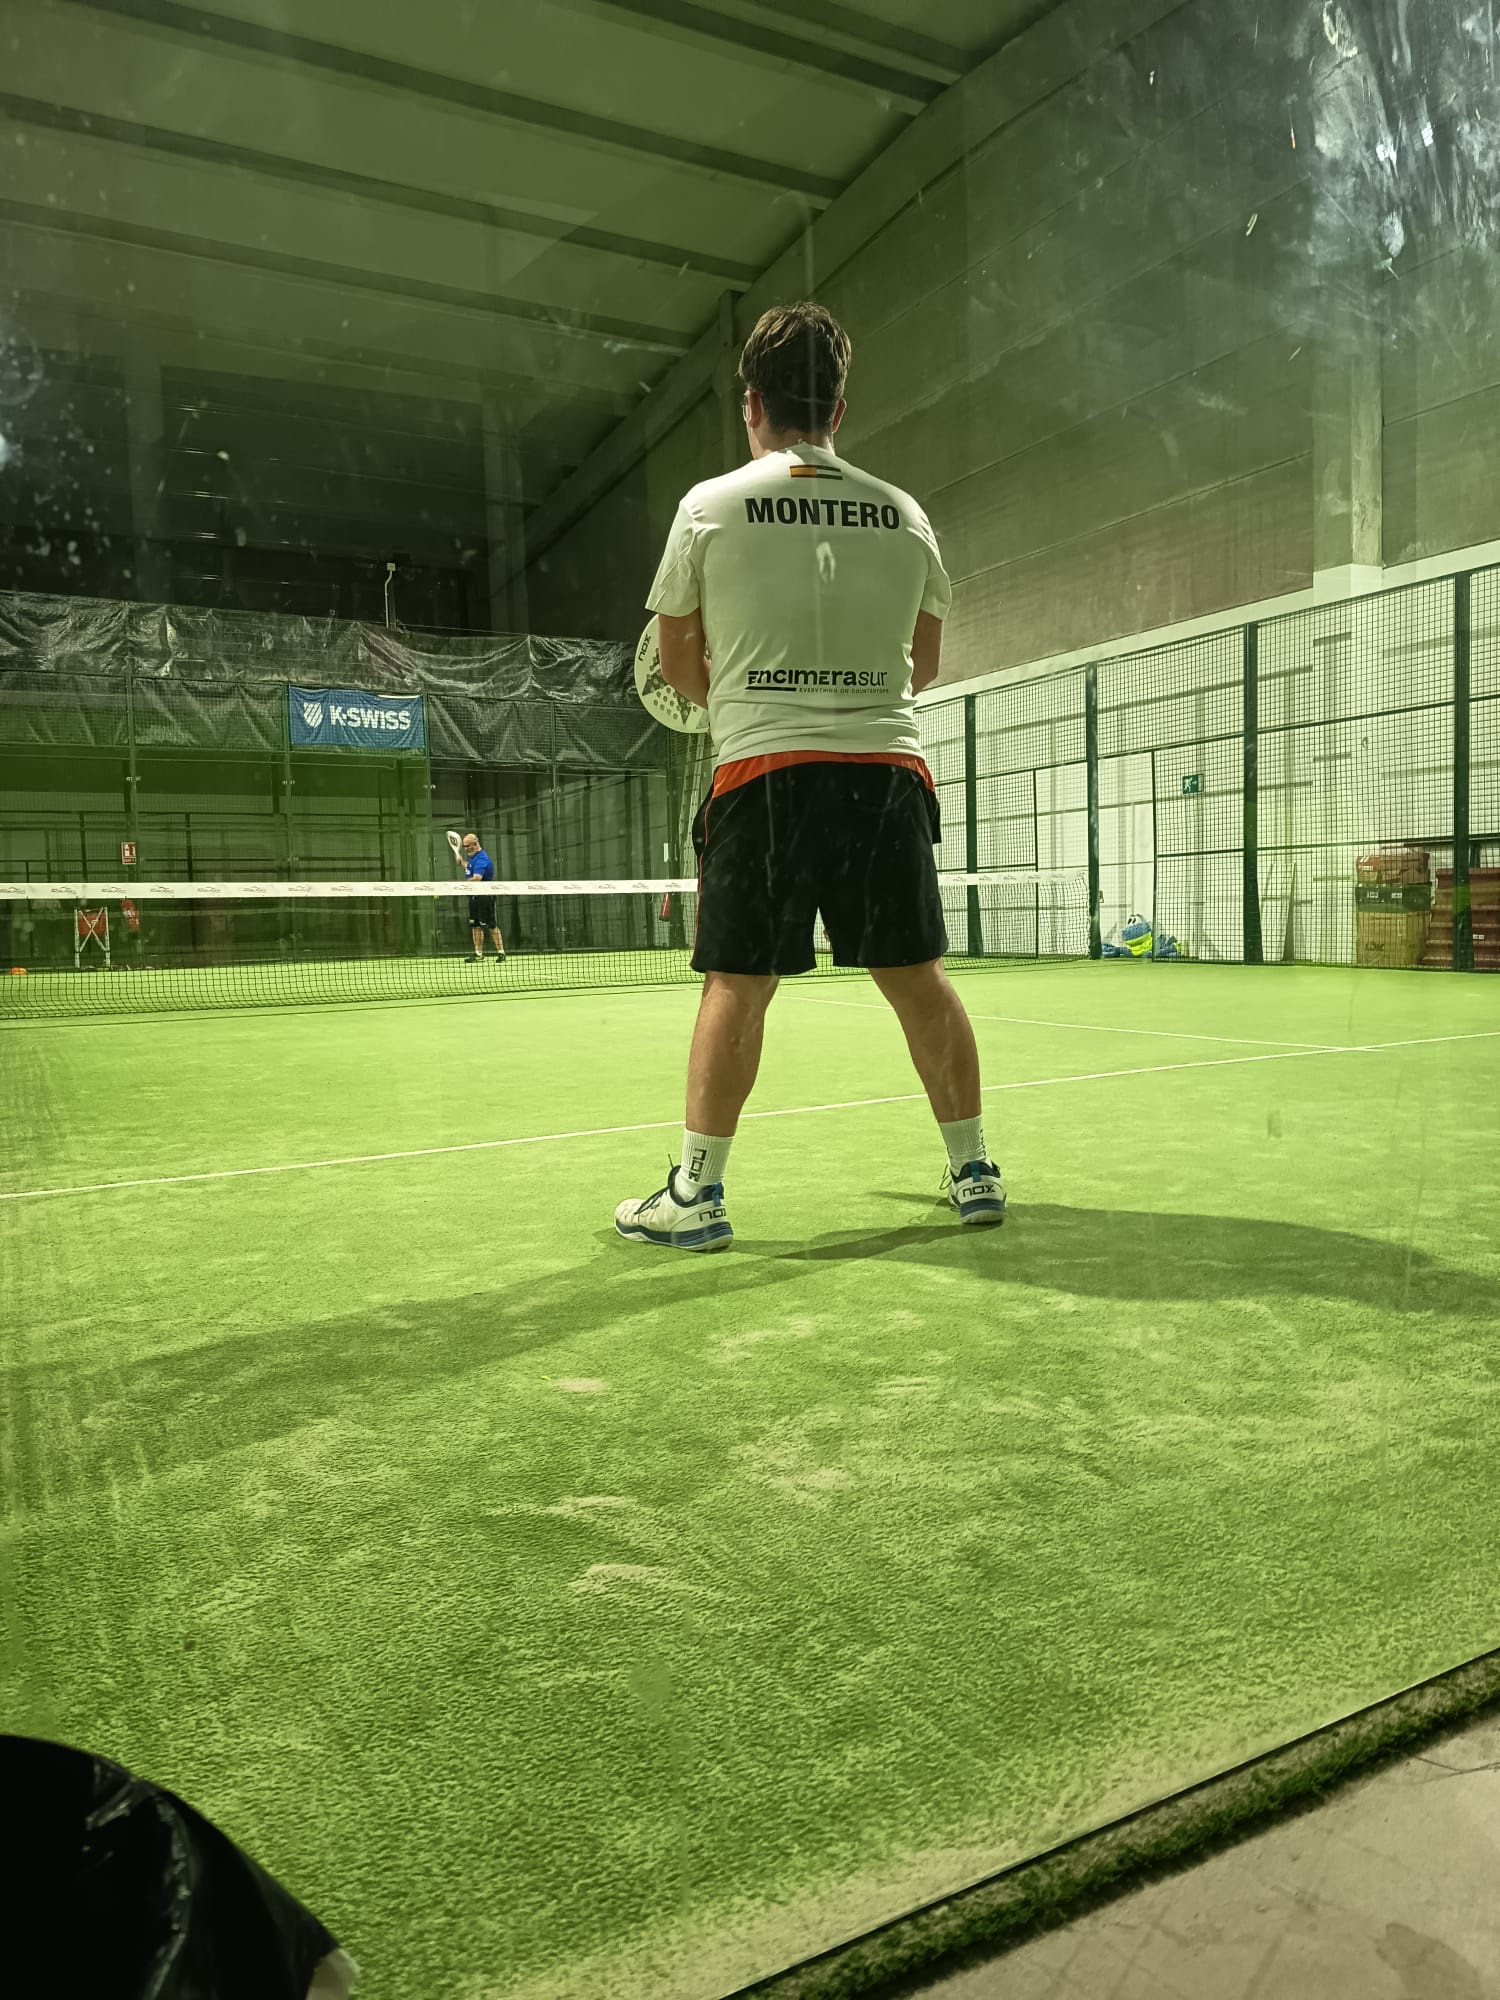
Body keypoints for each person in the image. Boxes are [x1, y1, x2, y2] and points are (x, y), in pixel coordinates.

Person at [614, 301, 1003, 1252]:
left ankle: (697, 1195)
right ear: (839, 407)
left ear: (752, 404)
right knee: (919, 981)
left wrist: (754, 698)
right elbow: (925, 662)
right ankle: (974, 1171)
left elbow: (678, 666)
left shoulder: (708, 508)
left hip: (764, 779)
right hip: (886, 776)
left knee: (738, 985)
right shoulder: (905, 514)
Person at [456, 832, 505, 963]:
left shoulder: (482, 858)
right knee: (475, 925)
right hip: (473, 896)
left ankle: (501, 953)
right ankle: (478, 954)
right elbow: (470, 867)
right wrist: (462, 862)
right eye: (464, 846)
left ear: (475, 844)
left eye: (468, 846)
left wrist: (461, 885)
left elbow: (477, 877)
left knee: (491, 925)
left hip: (485, 896)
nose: (465, 849)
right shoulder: (473, 858)